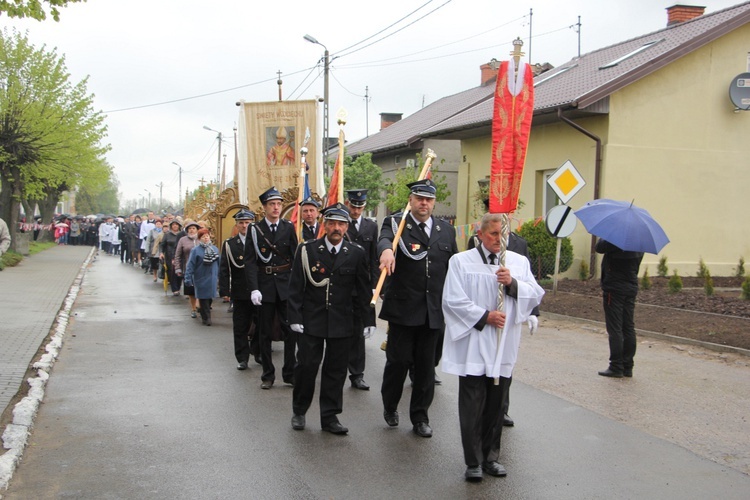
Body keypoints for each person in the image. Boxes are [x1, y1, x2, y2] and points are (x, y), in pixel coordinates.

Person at [442, 213, 545, 481]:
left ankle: (491, 457)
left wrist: (512, 284)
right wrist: (484, 316)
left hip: (503, 345)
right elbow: (452, 299)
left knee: (497, 405)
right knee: (473, 404)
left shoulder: (518, 263)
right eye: (494, 234)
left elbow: (535, 293)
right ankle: (473, 461)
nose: (500, 240)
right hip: (474, 343)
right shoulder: (461, 262)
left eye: (504, 234)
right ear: (480, 234)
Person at [377, 179, 458, 438]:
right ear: (410, 200)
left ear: (434, 203)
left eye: (429, 199)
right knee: (398, 362)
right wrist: (386, 251)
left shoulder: (446, 230)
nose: (424, 203)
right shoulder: (396, 224)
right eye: (419, 198)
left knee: (425, 368)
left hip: (433, 310)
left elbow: (454, 267)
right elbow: (385, 240)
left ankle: (420, 416)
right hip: (403, 308)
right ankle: (390, 406)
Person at [287, 203, 375, 434]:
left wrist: (369, 320)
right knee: (306, 367)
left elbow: (364, 290)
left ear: (347, 227)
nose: (336, 228)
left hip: (342, 321)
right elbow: (296, 287)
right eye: (332, 223)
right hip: (311, 319)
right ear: (324, 225)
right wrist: (294, 316)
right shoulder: (307, 251)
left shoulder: (356, 253)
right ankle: (299, 410)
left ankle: (330, 417)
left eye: (341, 224)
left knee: (336, 371)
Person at [468, 226, 540, 427]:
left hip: (508, 317)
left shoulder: (520, 244)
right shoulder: (477, 240)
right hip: (483, 315)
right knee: (480, 368)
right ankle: (479, 410)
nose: (500, 238)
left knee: (504, 365)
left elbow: (529, 282)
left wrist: (532, 312)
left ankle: (502, 409)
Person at [244, 186, 297, 390]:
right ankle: (267, 375)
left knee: (290, 330)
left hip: (284, 285)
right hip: (264, 285)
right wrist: (254, 288)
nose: (276, 208)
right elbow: (250, 261)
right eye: (272, 204)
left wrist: (295, 285)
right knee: (264, 332)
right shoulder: (255, 230)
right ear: (264, 207)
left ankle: (289, 372)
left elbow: (294, 258)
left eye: (278, 204)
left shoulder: (288, 227)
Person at [344, 189, 379, 391]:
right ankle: (339, 369)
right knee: (340, 329)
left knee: (359, 332)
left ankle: (357, 374)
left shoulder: (371, 226)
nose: (356, 210)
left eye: (360, 207)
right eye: (353, 206)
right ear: (348, 204)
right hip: (343, 284)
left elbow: (374, 257)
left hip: (362, 285)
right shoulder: (341, 223)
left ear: (364, 206)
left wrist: (375, 284)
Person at [596, 238, 644, 378]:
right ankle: (627, 366)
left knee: (615, 327)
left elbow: (599, 247)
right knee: (628, 326)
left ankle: (616, 365)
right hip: (631, 285)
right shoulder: (639, 240)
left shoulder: (617, 237)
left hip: (615, 287)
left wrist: (606, 235)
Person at [219, 208, 259, 370]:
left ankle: (258, 352)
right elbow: (224, 269)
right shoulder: (229, 245)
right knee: (240, 326)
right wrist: (225, 291)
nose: (244, 226)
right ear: (236, 225)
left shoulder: (260, 242)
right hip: (240, 291)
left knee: (261, 324)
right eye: (241, 223)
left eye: (248, 223)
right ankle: (242, 357)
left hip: (258, 291)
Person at [184, 228, 220, 326]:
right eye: (203, 237)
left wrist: (221, 277)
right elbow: (190, 265)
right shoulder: (195, 250)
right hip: (201, 277)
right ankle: (206, 318)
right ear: (199, 239)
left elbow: (219, 263)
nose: (206, 238)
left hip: (212, 278)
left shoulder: (215, 249)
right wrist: (188, 278)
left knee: (210, 298)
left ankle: (204, 311)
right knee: (203, 298)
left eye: (207, 236)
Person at [175, 220, 201, 318]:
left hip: (201, 268)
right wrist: (178, 268)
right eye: (189, 229)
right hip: (188, 268)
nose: (191, 230)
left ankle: (200, 304)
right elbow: (177, 255)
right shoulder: (183, 240)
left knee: (200, 288)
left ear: (197, 230)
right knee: (191, 290)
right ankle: (193, 309)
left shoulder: (201, 238)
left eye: (193, 228)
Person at [161, 219, 185, 296]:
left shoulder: (182, 234)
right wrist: (161, 253)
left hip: (180, 255)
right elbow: (162, 245)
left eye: (176, 224)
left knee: (179, 271)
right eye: (173, 224)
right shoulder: (167, 235)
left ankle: (178, 286)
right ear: (171, 226)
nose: (175, 226)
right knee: (171, 271)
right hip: (169, 255)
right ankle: (174, 289)